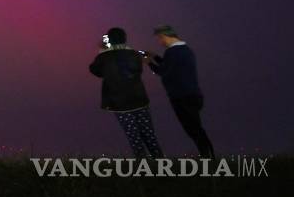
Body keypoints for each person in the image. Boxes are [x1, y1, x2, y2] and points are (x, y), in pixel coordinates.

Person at [88, 28, 163, 158]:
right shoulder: (134, 54)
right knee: (149, 134)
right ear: (125, 38)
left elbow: (95, 71)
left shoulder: (103, 57)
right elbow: (138, 70)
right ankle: (161, 164)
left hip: (119, 104)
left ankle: (144, 168)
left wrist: (102, 51)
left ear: (109, 40)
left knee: (134, 137)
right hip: (139, 100)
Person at [146, 25, 214, 158]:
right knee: (196, 127)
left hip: (181, 96)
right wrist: (156, 57)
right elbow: (171, 65)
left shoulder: (171, 52)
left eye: (160, 39)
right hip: (193, 94)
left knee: (193, 129)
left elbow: (163, 71)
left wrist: (149, 63)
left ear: (165, 36)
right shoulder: (185, 50)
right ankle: (207, 155)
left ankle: (207, 156)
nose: (160, 42)